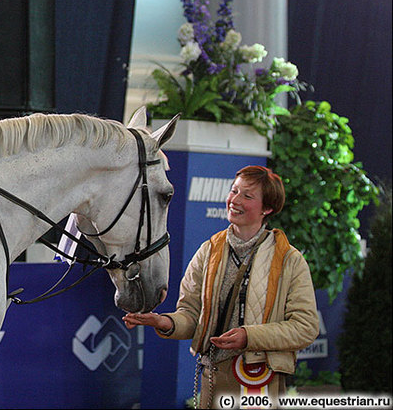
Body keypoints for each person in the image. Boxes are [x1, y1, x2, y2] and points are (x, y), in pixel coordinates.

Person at [123, 165, 319, 409]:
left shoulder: (289, 259)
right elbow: (191, 315)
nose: (234, 200)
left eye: (247, 196)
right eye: (234, 191)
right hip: (213, 377)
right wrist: (166, 323)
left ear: (267, 209)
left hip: (260, 379)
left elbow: (305, 327)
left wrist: (249, 337)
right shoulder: (209, 250)